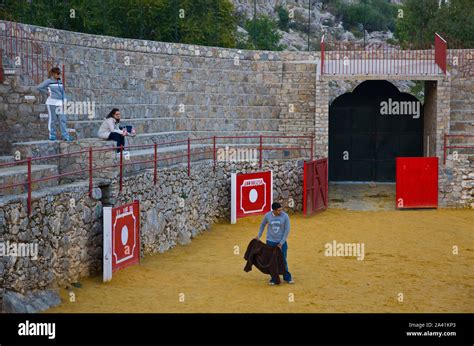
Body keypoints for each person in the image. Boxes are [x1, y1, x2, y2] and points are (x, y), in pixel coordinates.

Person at [256, 202, 294, 285]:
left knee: (283, 260)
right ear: (274, 210)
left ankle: (287, 277)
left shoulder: (285, 216)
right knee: (271, 261)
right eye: (278, 210)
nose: (281, 212)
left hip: (281, 243)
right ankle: (273, 278)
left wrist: (281, 242)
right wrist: (259, 235)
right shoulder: (267, 216)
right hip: (270, 242)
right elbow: (262, 225)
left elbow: (287, 230)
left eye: (281, 210)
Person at [37, 67, 72, 141]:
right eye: (57, 73)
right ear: (53, 73)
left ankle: (65, 136)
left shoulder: (60, 82)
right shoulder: (48, 81)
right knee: (53, 119)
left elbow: (63, 93)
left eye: (60, 73)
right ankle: (52, 135)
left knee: (62, 119)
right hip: (51, 102)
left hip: (60, 103)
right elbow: (39, 87)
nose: (59, 75)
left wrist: (65, 101)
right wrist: (48, 92)